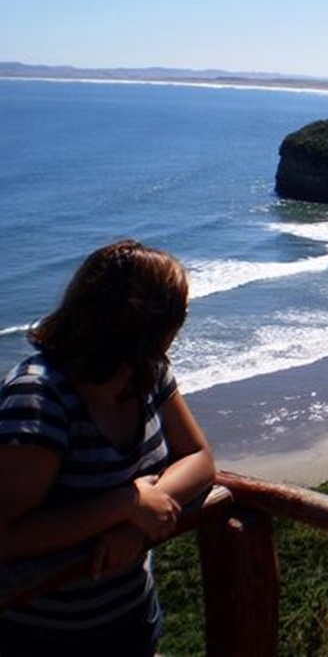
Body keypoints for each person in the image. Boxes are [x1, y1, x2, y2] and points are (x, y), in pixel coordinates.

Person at [0, 239, 216, 657]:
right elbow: (5, 535)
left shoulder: (145, 373)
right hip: (42, 639)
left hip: (132, 619)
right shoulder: (38, 396)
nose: (182, 326)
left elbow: (199, 458)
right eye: (178, 315)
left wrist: (136, 519)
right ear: (143, 323)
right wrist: (125, 503)